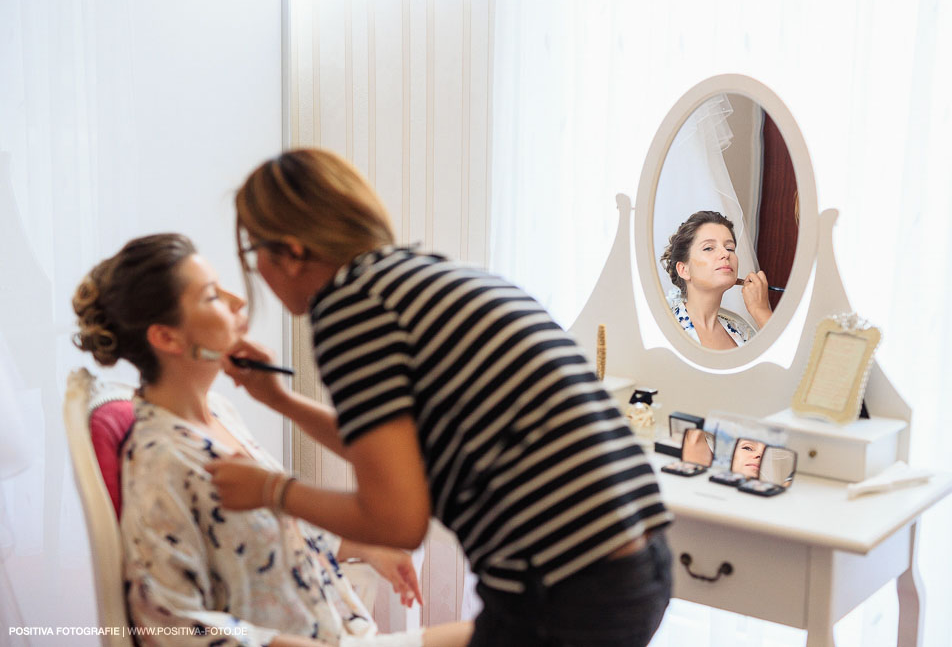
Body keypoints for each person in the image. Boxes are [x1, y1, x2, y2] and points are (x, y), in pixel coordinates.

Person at [205, 148, 673, 647]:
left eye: (256, 256)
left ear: (293, 253)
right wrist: (280, 400)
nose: (256, 278)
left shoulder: (349, 308)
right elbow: (399, 460)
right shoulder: (428, 276)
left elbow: (398, 520)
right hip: (637, 565)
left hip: (567, 588)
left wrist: (271, 490)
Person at [72, 234, 472, 647]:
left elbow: (262, 536)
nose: (238, 302)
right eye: (212, 296)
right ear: (167, 338)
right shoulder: (162, 460)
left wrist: (362, 546)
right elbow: (171, 621)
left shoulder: (221, 414)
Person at [659, 210, 772, 350]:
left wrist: (760, 310)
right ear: (683, 270)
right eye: (708, 248)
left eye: (730, 248)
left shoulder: (741, 330)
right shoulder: (664, 329)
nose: (725, 254)